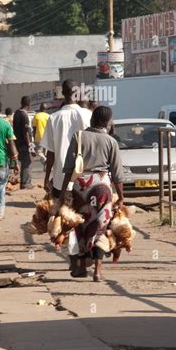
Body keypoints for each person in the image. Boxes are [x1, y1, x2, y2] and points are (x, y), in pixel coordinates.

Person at [60, 106, 124, 282]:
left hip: (81, 186)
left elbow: (68, 169)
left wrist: (63, 192)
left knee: (80, 226)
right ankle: (97, 270)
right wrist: (121, 197)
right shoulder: (111, 142)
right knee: (100, 227)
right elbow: (118, 175)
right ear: (107, 122)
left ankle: (80, 267)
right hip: (102, 186)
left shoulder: (78, 136)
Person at [41, 80, 89, 199]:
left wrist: (47, 178)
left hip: (60, 179)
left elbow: (50, 152)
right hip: (85, 177)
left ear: (63, 93)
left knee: (63, 214)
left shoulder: (53, 118)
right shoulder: (88, 115)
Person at [13, 96, 35, 189]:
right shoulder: (24, 115)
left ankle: (25, 182)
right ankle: (25, 183)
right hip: (24, 143)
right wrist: (29, 144)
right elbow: (26, 132)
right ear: (29, 104)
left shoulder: (17, 113)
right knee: (27, 162)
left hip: (18, 142)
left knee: (24, 162)